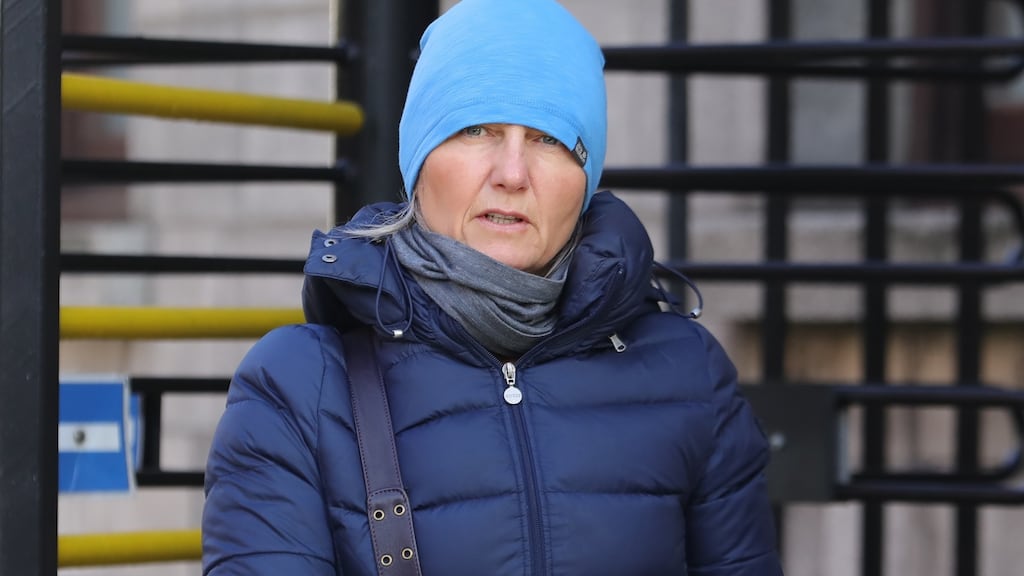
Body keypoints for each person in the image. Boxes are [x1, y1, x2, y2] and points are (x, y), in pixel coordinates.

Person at [201, 0, 782, 574]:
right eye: (476, 128)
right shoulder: (299, 386)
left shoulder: (687, 374)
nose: (511, 173)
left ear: (585, 180)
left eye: (549, 138)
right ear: (420, 159)